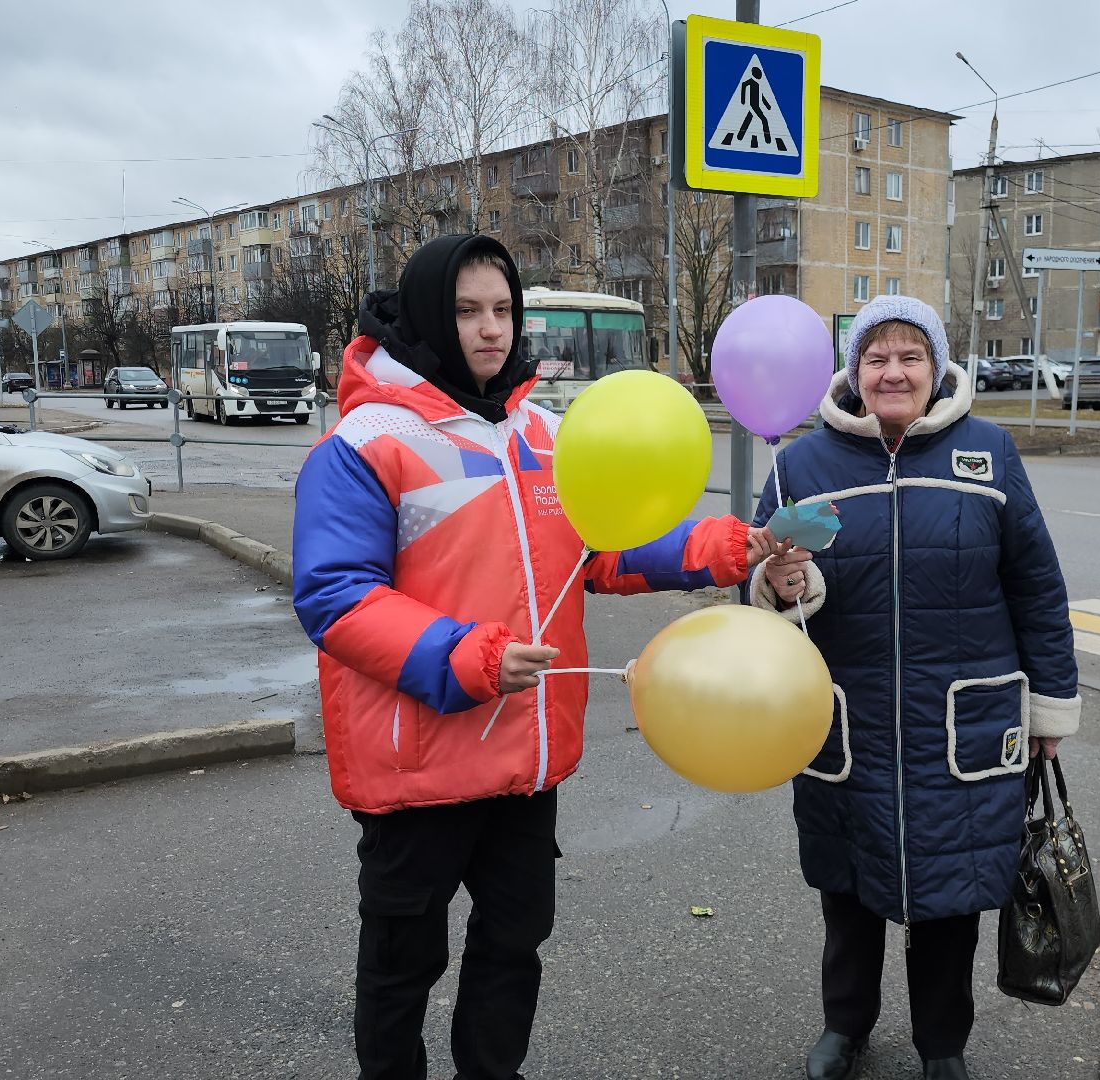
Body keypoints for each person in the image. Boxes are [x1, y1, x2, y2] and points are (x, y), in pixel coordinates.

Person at [292, 233, 787, 1080]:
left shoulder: (546, 435)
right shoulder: (366, 442)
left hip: (525, 757)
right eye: (466, 311)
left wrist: (740, 545)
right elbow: (336, 597)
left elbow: (609, 546)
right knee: (404, 965)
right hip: (418, 763)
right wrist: (469, 658)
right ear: (425, 317)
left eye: (503, 309)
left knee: (514, 944)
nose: (491, 329)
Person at [750, 295, 1081, 1080]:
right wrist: (779, 585)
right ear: (854, 372)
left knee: (952, 896)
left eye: (910, 356)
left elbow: (1037, 586)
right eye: (876, 358)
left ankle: (943, 1045)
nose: (893, 372)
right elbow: (759, 590)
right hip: (848, 721)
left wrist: (1049, 706)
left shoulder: (989, 451)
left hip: (961, 726)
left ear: (936, 368)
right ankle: (846, 1026)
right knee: (848, 886)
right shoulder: (802, 465)